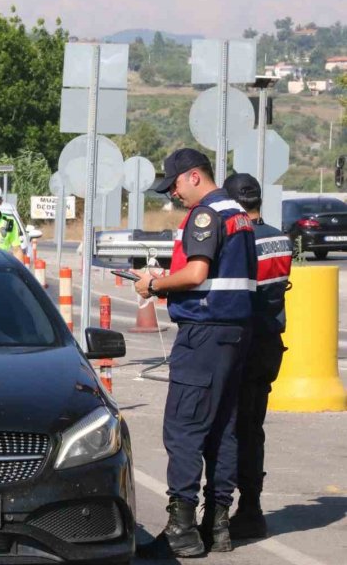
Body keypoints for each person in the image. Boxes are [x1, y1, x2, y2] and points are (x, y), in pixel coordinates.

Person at [133, 148, 257, 558]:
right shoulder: (239, 214)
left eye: (174, 187)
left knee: (184, 428)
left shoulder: (207, 215)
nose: (174, 196)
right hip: (235, 335)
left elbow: (197, 273)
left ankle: (181, 530)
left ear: (193, 177)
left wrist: (154, 284)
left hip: (204, 334)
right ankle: (217, 524)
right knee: (223, 428)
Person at [222, 173, 292, 540]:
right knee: (253, 428)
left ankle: (224, 509)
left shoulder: (239, 238)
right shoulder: (281, 238)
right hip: (269, 343)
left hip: (242, 342)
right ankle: (251, 505)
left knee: (230, 429)